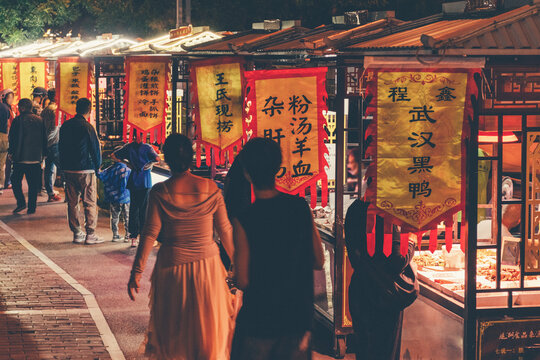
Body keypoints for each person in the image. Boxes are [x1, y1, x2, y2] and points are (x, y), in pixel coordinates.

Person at [128, 133, 235, 360]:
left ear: (167, 159)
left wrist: (137, 272)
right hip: (208, 267)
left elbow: (149, 234)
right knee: (207, 330)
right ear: (192, 158)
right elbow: (225, 231)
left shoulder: (159, 192)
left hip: (171, 266)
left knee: (174, 331)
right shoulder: (211, 188)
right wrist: (239, 263)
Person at [231, 138, 324, 360]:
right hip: (296, 319)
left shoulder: (244, 219)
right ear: (278, 167)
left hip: (259, 319)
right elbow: (318, 260)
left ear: (247, 173)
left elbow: (242, 280)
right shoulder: (300, 207)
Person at [344, 200, 415, 360]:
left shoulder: (354, 208)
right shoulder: (388, 214)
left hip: (360, 289)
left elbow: (353, 255)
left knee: (364, 351)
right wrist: (411, 241)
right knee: (383, 352)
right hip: (384, 295)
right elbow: (397, 261)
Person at [59, 98, 103, 245]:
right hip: (86, 169)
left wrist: (62, 168)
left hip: (69, 169)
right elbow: (95, 149)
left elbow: (61, 148)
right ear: (89, 111)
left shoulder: (65, 126)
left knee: (72, 202)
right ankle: (90, 233)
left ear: (76, 108)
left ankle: (77, 232)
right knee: (89, 202)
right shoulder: (88, 127)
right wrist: (98, 167)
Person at [112, 133, 160, 247]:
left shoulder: (129, 146)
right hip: (144, 181)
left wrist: (127, 164)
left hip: (134, 180)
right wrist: (149, 164)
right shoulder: (147, 147)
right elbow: (157, 159)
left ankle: (133, 236)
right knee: (143, 209)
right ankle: (141, 236)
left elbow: (114, 155)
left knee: (134, 208)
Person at [8, 98, 47, 214]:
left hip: (20, 158)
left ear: (22, 108)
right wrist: (44, 154)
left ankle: (21, 203)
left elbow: (13, 139)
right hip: (35, 158)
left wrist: (11, 152)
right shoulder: (40, 120)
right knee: (33, 184)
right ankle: (31, 207)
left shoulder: (17, 120)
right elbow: (44, 139)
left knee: (15, 181)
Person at [98, 157, 131, 242]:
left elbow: (100, 175)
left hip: (113, 197)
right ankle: (128, 235)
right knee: (127, 217)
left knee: (114, 217)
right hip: (125, 197)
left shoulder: (110, 169)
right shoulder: (127, 169)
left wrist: (98, 168)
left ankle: (115, 235)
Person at [41, 89, 61, 202]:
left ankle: (50, 194)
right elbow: (55, 128)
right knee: (63, 168)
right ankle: (69, 195)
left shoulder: (44, 111)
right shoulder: (55, 111)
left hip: (46, 144)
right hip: (54, 143)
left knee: (49, 169)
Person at [0, 89, 14, 195]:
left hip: (5, 135)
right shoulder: (5, 108)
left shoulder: (7, 108)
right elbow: (8, 124)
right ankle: (2, 184)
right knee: (2, 162)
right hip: (4, 136)